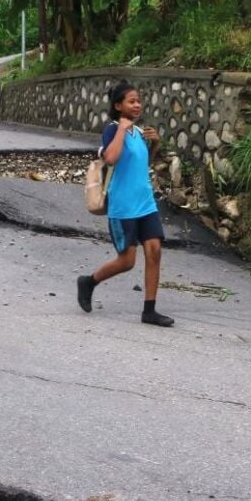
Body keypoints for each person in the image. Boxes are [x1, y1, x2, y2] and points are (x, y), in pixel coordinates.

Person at [77, 81, 174, 327]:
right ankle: (89, 281)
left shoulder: (139, 132)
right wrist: (122, 128)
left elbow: (142, 164)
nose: (137, 105)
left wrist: (156, 143)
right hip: (123, 206)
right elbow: (110, 158)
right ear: (118, 106)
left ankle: (149, 310)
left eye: (139, 100)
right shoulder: (112, 130)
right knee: (127, 261)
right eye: (131, 101)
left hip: (146, 203)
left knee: (154, 251)